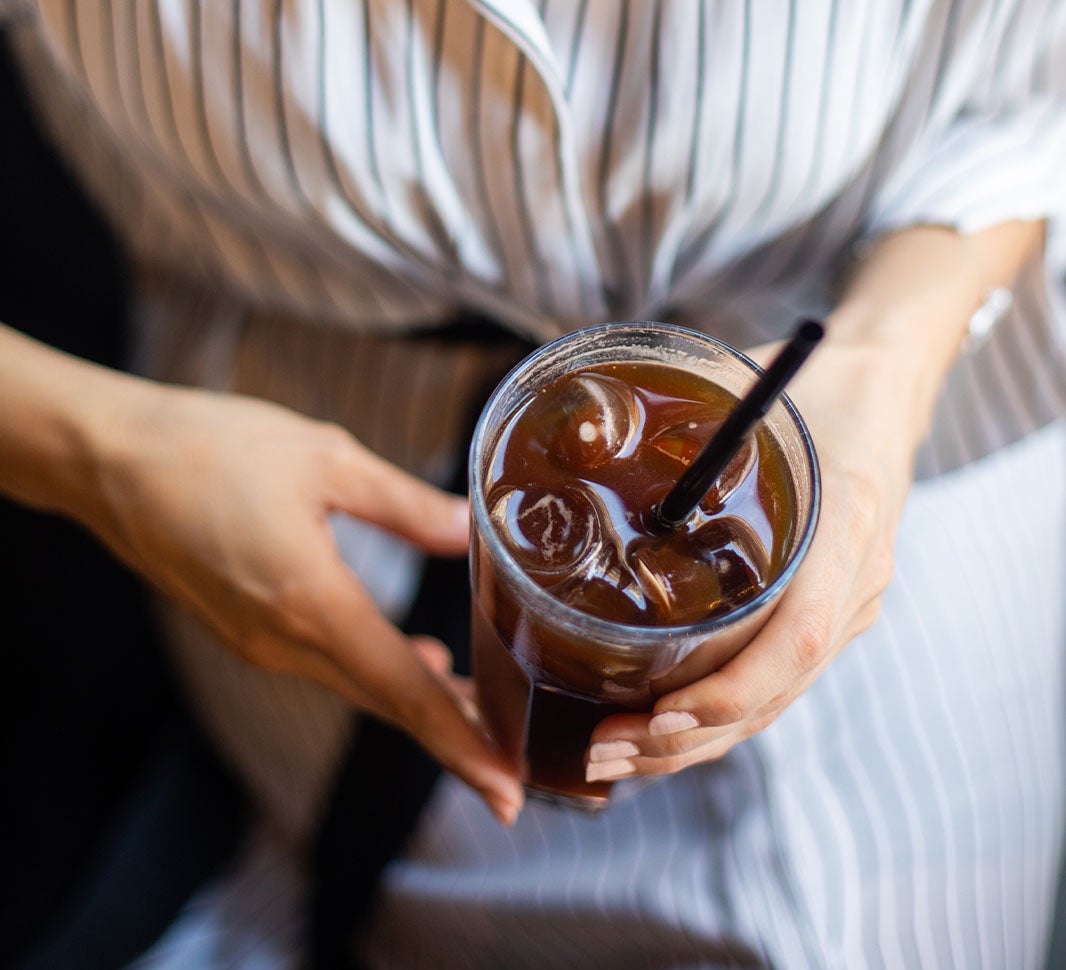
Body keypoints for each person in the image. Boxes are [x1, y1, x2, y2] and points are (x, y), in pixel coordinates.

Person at [2, 1, 1065, 967]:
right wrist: (102, 450)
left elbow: (1026, 94)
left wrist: (883, 365)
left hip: (889, 447)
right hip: (295, 474)